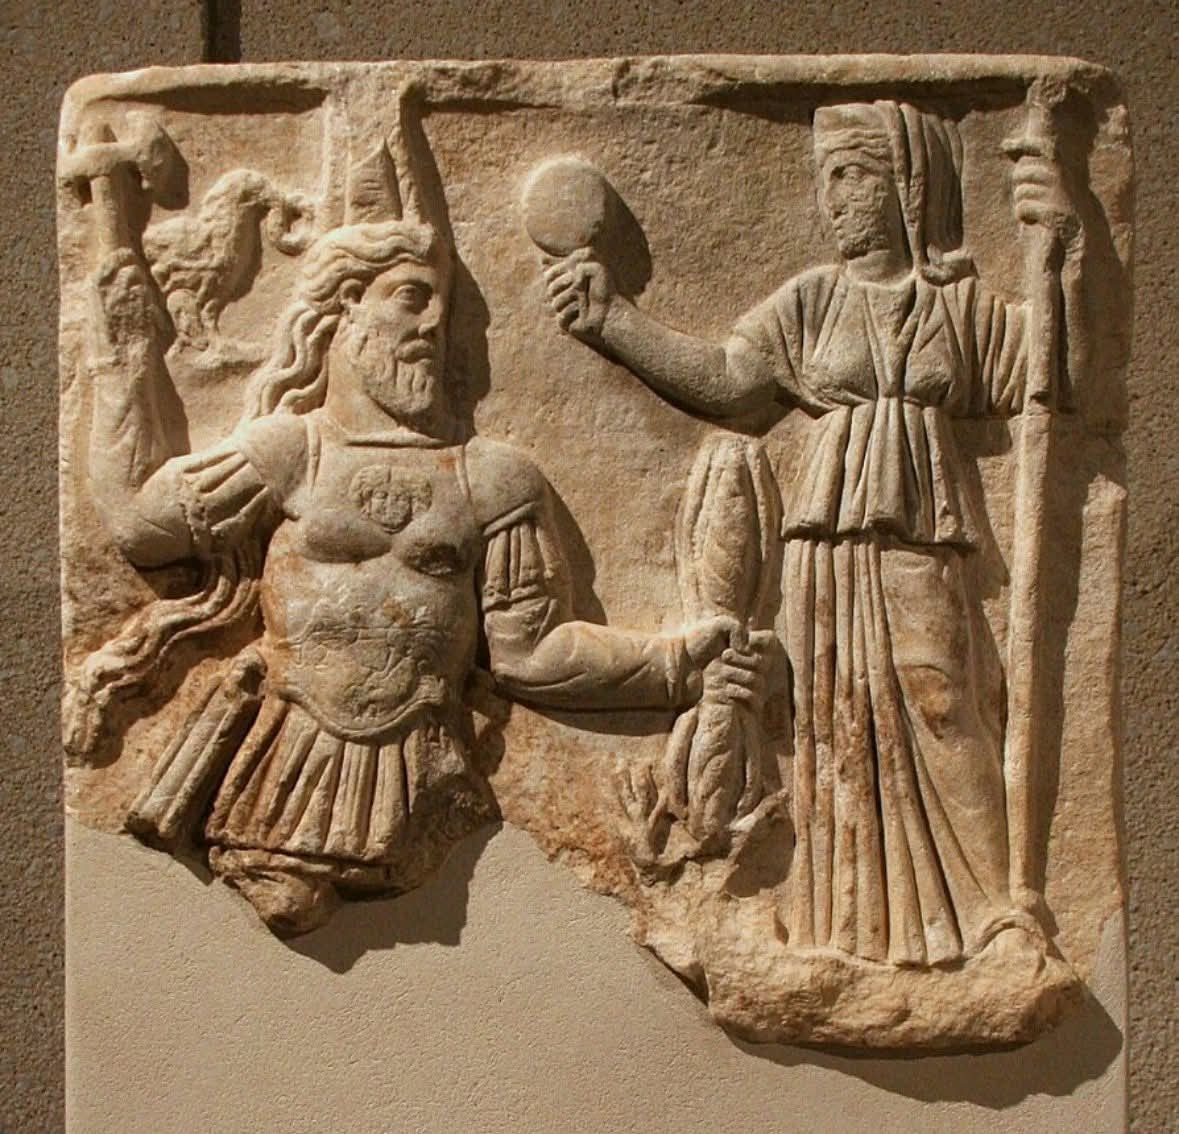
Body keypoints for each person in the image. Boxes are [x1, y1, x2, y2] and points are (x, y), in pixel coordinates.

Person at [82, 139, 766, 936]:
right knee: (286, 903)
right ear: (344, 307)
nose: (434, 325)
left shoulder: (492, 477)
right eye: (410, 298)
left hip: (422, 774)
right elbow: (139, 525)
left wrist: (677, 664)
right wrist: (120, 349)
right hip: (279, 767)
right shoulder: (290, 452)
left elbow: (529, 653)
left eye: (440, 306)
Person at [539, 101, 1092, 967]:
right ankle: (853, 926)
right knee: (836, 724)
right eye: (824, 179)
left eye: (850, 175)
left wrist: (1062, 247)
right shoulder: (811, 301)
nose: (832, 199)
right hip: (827, 540)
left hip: (920, 530)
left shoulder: (959, 306)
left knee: (943, 699)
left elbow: (1054, 372)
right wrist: (614, 321)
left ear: (909, 185)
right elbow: (728, 381)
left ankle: (992, 907)